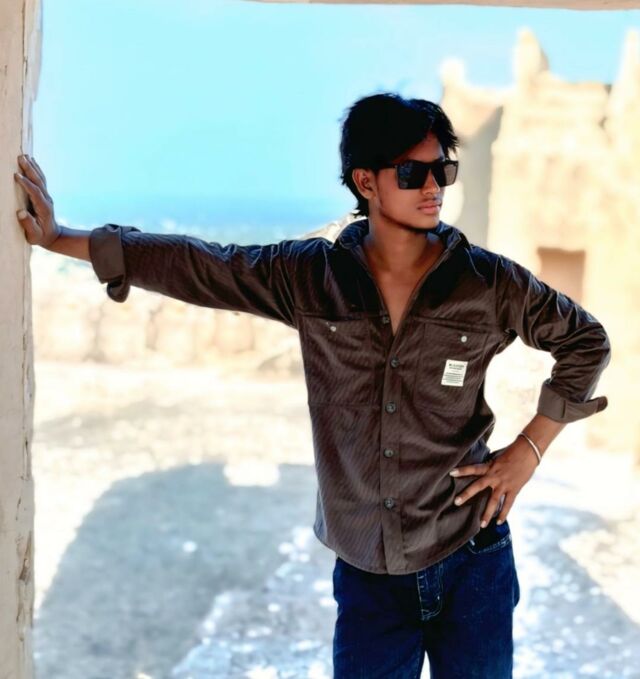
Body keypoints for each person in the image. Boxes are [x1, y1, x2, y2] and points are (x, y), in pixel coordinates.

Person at [14, 92, 611, 679]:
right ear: (366, 182)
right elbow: (201, 265)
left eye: (443, 170)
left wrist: (529, 450)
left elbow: (586, 341)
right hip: (368, 577)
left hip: (470, 557)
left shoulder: (487, 283)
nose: (433, 187)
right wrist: (59, 237)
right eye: (413, 172)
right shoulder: (309, 276)